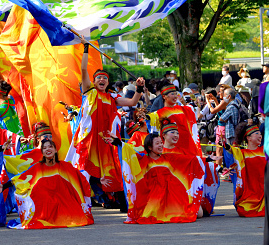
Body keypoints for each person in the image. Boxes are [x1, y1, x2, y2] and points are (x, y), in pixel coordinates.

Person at [68, 37, 145, 211]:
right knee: (85, 168)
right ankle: (84, 199)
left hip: (107, 140)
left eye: (104, 78)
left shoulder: (113, 97)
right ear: (94, 82)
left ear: (108, 83)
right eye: (98, 78)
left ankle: (115, 198)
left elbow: (132, 102)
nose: (102, 80)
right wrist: (86, 48)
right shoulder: (89, 92)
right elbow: (83, 69)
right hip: (88, 139)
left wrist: (139, 88)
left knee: (113, 168)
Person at [0, 138, 93, 229]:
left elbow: (80, 177)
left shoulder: (65, 166)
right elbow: (20, 178)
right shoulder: (37, 168)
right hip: (45, 206)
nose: (47, 149)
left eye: (50, 147)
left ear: (55, 150)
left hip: (65, 202)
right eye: (44, 148)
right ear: (42, 152)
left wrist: (97, 179)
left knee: (77, 218)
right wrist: (4, 186)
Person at [110, 132, 205, 224]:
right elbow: (130, 153)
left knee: (199, 214)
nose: (160, 145)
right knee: (151, 215)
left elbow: (189, 160)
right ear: (149, 147)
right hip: (153, 198)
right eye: (157, 143)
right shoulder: (143, 160)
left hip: (172, 196)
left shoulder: (168, 157)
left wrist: (207, 160)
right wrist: (118, 142)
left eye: (161, 143)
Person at [223, 123, 264, 217]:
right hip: (250, 191)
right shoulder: (242, 153)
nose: (260, 136)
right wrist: (225, 145)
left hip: (264, 190)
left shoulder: (264, 151)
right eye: (257, 133)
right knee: (244, 210)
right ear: (248, 138)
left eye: (260, 134)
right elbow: (232, 150)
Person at [148, 83, 201, 156]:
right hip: (170, 149)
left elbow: (191, 110)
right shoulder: (160, 113)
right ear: (164, 96)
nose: (175, 96)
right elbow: (152, 118)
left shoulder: (182, 109)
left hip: (186, 146)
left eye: (176, 94)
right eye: (172, 94)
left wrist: (193, 103)